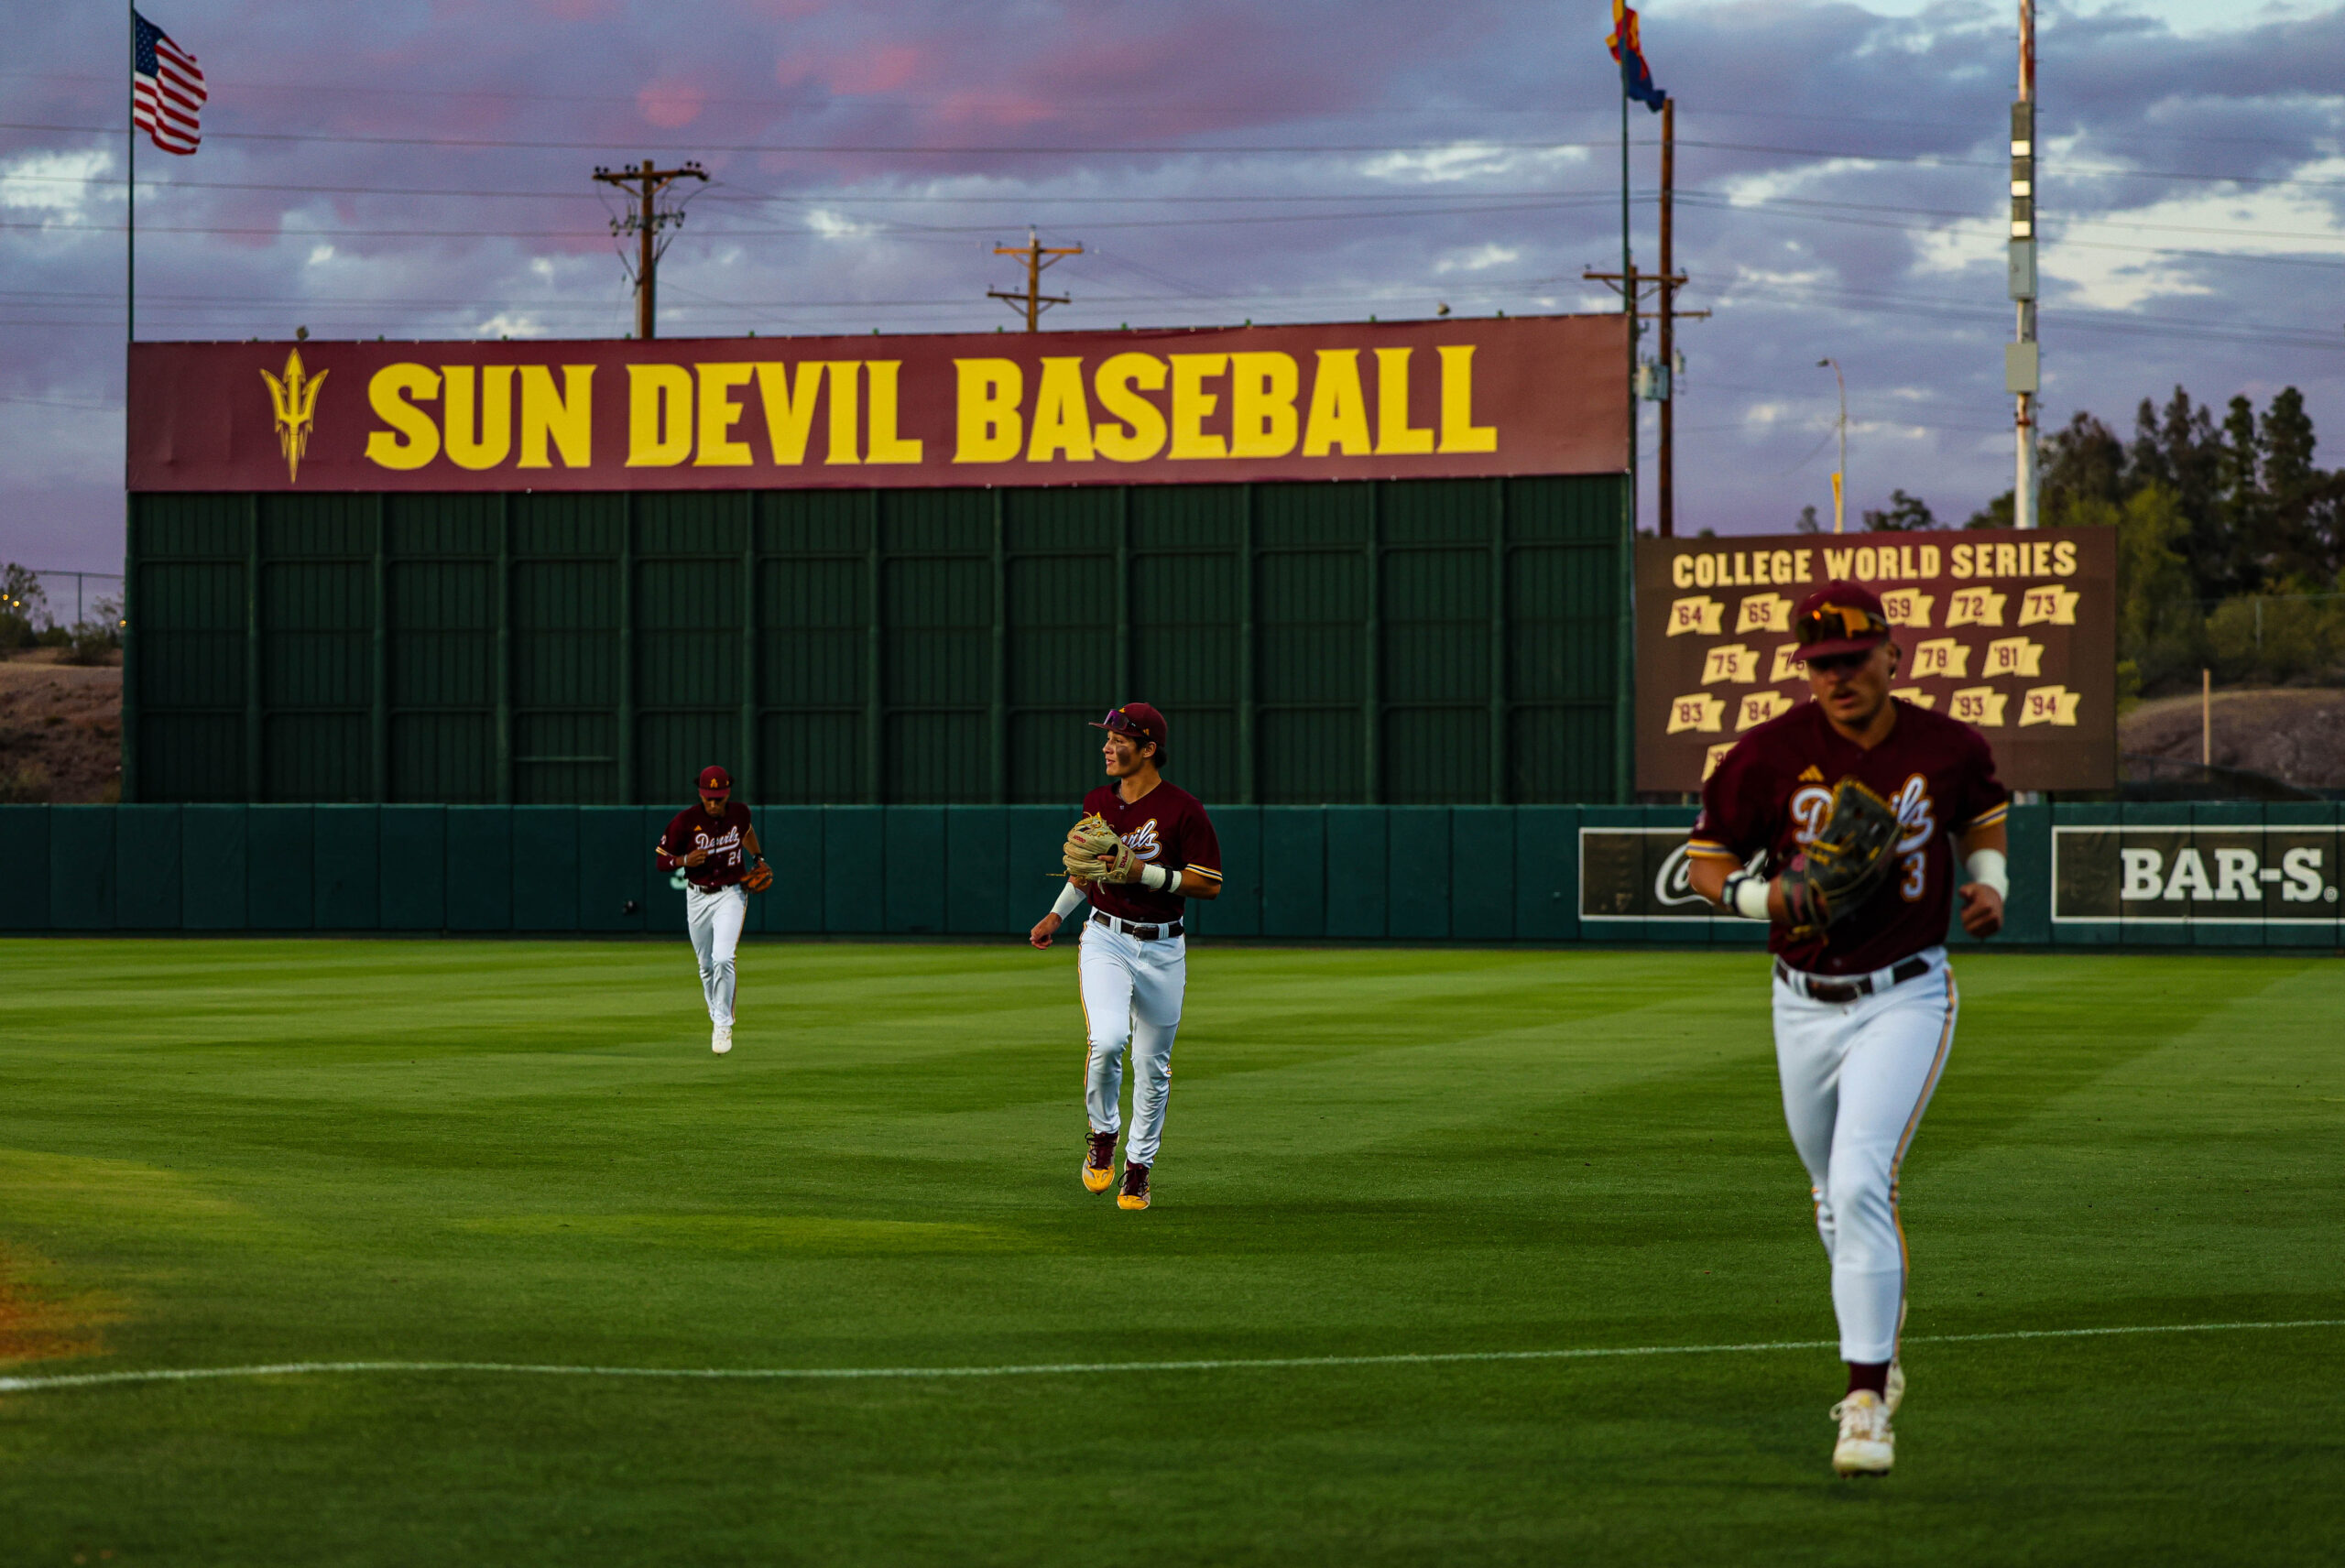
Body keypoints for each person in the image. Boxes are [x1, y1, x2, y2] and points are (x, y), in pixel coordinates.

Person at [1683, 582, 2009, 1478]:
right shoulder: (1767, 753)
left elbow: (1981, 809)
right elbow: (1705, 856)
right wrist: (1761, 895)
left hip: (1905, 992)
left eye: (1852, 658)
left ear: (1890, 654)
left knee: (1864, 1177)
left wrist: (1991, 883)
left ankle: (1865, 1399)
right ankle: (1882, 1346)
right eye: (1819, 663)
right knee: (1830, 1195)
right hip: (1800, 998)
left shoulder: (1947, 745)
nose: (1836, 676)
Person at [1028, 703, 1222, 1211]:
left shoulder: (1185, 810)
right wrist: (1056, 914)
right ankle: (1103, 1134)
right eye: (1107, 738)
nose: (1107, 747)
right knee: (1109, 1039)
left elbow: (1210, 884)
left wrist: (1147, 874)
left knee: (1152, 1066)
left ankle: (1139, 1168)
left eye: (1118, 739)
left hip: (1163, 945)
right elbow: (1087, 869)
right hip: (1105, 936)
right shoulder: (1098, 800)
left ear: (1148, 748)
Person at [654, 765, 769, 1055]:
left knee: (723, 958)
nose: (714, 804)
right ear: (701, 794)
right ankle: (716, 1011)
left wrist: (758, 857)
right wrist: (683, 861)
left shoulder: (740, 813)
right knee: (705, 966)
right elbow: (661, 861)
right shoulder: (685, 821)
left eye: (719, 798)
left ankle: (723, 1022)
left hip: (731, 894)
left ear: (727, 793)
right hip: (697, 896)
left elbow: (747, 832)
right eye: (709, 798)